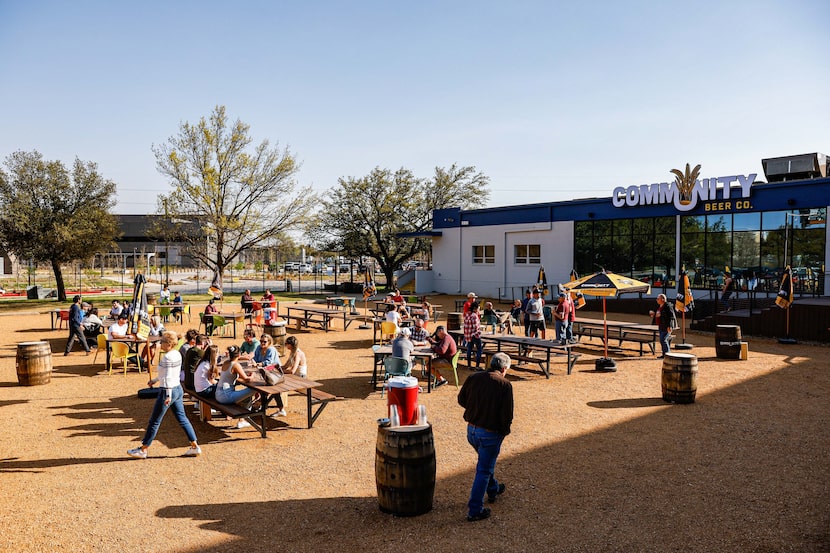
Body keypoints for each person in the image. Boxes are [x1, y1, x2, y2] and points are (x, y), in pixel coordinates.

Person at [457, 351, 513, 522]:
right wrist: (504, 431)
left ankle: (493, 488)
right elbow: (507, 415)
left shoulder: (474, 377)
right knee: (483, 469)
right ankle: (475, 510)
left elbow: (461, 399)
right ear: (504, 369)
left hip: (471, 431)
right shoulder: (505, 385)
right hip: (490, 433)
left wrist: (474, 409)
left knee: (485, 463)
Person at [128, 331, 201, 459]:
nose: (160, 343)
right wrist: (155, 380)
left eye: (162, 341)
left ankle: (143, 449)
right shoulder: (177, 354)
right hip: (177, 389)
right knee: (182, 419)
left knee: (155, 421)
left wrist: (167, 395)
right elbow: (170, 373)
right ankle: (194, 445)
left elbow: (167, 377)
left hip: (168, 390)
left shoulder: (167, 357)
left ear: (168, 344)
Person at [214, 345, 258, 428]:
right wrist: (253, 375)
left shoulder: (226, 363)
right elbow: (247, 379)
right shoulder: (235, 365)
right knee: (253, 390)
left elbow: (235, 377)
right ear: (239, 355)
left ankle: (243, 418)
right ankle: (243, 420)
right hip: (226, 396)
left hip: (218, 394)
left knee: (246, 397)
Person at [650, 293, 676, 358]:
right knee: (662, 340)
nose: (657, 300)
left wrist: (669, 326)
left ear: (663, 299)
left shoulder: (668, 306)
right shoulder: (659, 306)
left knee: (663, 340)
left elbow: (671, 316)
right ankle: (664, 354)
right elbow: (657, 314)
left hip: (666, 326)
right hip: (661, 325)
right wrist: (653, 314)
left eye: (658, 299)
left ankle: (667, 354)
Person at [464, 301, 483, 369]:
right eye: (478, 309)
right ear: (475, 309)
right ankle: (477, 366)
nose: (479, 310)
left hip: (468, 335)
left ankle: (469, 365)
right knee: (479, 350)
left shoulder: (467, 314)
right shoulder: (474, 316)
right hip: (475, 335)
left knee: (469, 349)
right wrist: (479, 331)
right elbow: (475, 327)